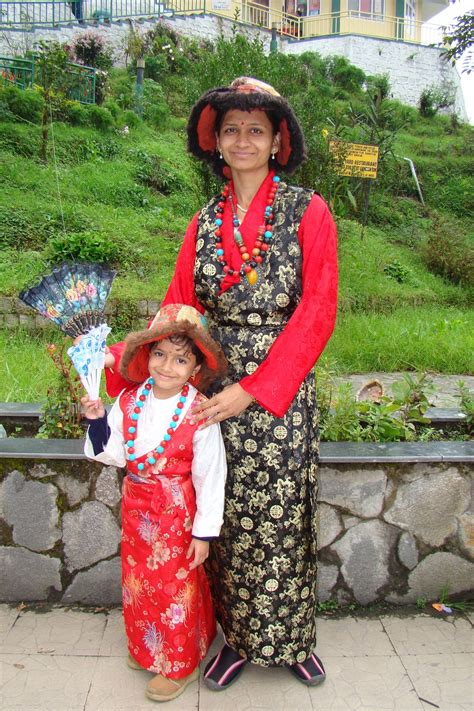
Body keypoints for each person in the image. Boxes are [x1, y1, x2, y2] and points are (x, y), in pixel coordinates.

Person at [104, 77, 338, 691]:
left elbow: (317, 311)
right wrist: (123, 359)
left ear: (277, 140)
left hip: (279, 390)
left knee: (282, 511)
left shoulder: (309, 211)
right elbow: (180, 304)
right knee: (220, 512)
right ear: (217, 140)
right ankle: (231, 638)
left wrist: (255, 389)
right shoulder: (203, 220)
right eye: (231, 129)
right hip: (207, 387)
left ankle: (293, 641)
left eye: (255, 130)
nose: (242, 140)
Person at [83, 304, 227, 703]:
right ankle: (149, 648)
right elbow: (113, 454)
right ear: (146, 356)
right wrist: (97, 420)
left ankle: (178, 662)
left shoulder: (199, 412)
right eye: (160, 354)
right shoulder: (129, 400)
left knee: (174, 586)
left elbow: (211, 475)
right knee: (138, 583)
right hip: (137, 508)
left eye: (181, 359)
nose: (167, 366)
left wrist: (203, 532)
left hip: (177, 515)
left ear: (196, 368)